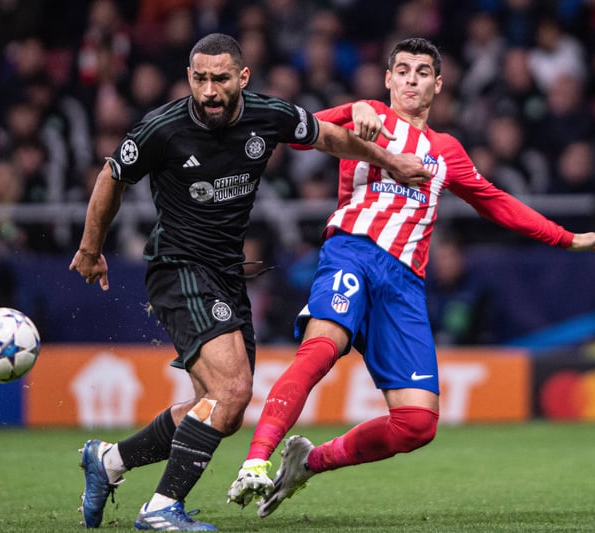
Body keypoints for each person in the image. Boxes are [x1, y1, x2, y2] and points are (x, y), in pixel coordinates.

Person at [226, 37, 595, 519]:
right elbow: (293, 134)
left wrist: (567, 237)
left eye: (422, 72)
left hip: (404, 286)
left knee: (417, 424)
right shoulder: (369, 115)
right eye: (402, 70)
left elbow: (496, 202)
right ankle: (255, 460)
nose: (411, 79)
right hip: (352, 253)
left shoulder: (446, 150)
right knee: (321, 350)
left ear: (438, 84)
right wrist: (350, 111)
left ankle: (309, 463)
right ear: (388, 79)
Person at [68, 32, 430, 531]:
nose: (209, 91)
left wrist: (390, 161)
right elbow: (112, 175)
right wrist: (91, 249)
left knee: (220, 408)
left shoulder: (268, 115)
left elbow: (329, 137)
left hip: (227, 275)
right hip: (179, 268)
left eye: (220, 79)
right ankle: (161, 508)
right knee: (233, 390)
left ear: (242, 77)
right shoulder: (162, 128)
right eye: (199, 79)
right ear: (189, 77)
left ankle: (108, 461)